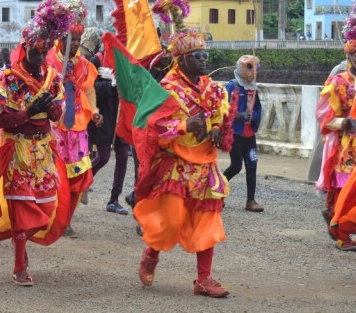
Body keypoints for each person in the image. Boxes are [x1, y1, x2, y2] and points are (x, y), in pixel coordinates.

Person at [134, 28, 233, 298]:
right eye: (198, 55)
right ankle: (151, 254)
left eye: (205, 55)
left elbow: (219, 115)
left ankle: (204, 279)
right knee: (170, 219)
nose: (204, 60)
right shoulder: (166, 89)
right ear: (182, 59)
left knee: (207, 220)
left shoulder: (213, 88)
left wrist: (215, 128)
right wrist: (182, 125)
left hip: (205, 164)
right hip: (176, 163)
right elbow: (151, 129)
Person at [0, 0, 72, 286]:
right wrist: (27, 112)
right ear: (24, 48)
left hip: (43, 147)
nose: (40, 57)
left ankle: (22, 248)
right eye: (35, 52)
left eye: (44, 52)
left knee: (45, 207)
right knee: (22, 207)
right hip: (19, 148)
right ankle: (18, 265)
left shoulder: (52, 78)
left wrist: (49, 110)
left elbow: (59, 114)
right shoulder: (9, 78)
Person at [49, 0, 102, 238]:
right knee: (55, 176)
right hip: (55, 128)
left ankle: (67, 221)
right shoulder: (48, 61)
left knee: (78, 177)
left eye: (79, 40)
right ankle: (52, 219)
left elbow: (89, 90)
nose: (76, 44)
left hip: (78, 127)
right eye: (71, 39)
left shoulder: (84, 64)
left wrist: (97, 111)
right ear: (60, 39)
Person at [317, 42, 356, 250]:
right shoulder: (339, 82)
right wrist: (344, 122)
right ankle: (341, 235)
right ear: (349, 56)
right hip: (346, 148)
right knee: (346, 190)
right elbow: (324, 116)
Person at [87, 37, 131, 216]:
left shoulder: (127, 62)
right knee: (103, 157)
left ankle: (114, 200)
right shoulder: (97, 60)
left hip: (122, 114)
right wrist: (109, 83)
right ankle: (81, 183)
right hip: (103, 114)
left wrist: (122, 80)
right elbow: (88, 88)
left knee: (122, 157)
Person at [223, 55, 263, 212]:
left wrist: (254, 118)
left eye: (255, 68)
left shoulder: (253, 88)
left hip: (249, 134)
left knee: (252, 165)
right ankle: (216, 193)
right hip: (235, 134)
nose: (253, 72)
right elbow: (223, 109)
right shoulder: (232, 86)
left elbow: (258, 109)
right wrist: (239, 115)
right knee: (236, 166)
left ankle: (250, 201)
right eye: (249, 67)